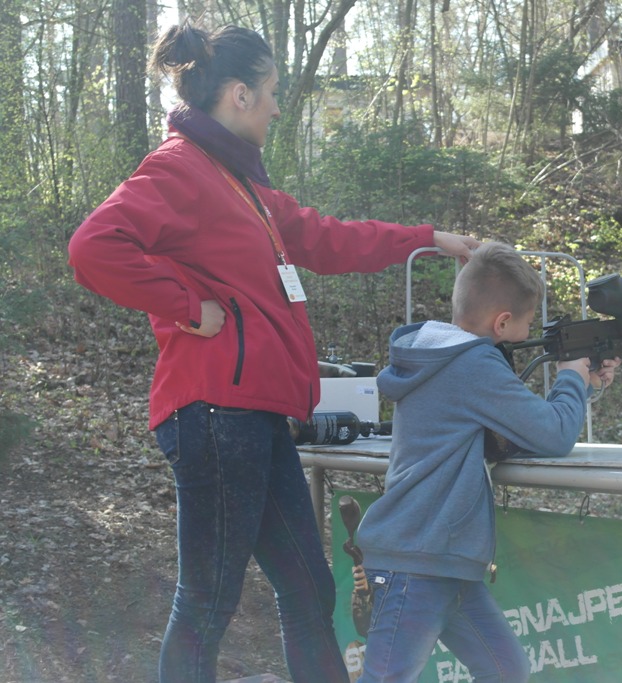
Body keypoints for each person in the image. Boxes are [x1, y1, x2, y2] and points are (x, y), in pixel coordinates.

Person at [66, 22, 479, 683]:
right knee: (208, 599)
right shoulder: (178, 167)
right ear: (239, 94)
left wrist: (429, 238)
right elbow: (93, 247)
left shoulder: (246, 189)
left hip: (257, 416)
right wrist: (187, 306)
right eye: (273, 93)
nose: (278, 107)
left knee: (310, 590)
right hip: (215, 413)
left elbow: (331, 238)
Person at [354, 242, 620, 683]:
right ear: (502, 322)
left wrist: (583, 384)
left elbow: (519, 433)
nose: (529, 331)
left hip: (444, 559)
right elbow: (553, 434)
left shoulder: (442, 357)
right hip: (416, 560)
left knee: (505, 671)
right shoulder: (472, 364)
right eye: (527, 322)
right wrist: (571, 375)